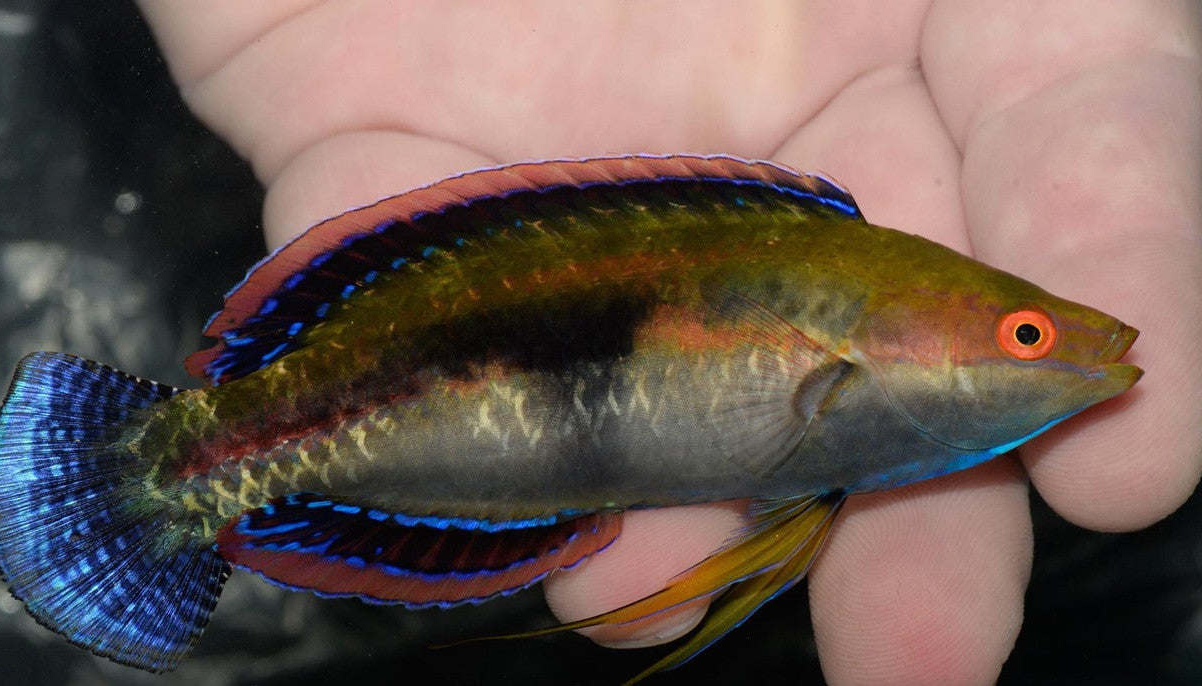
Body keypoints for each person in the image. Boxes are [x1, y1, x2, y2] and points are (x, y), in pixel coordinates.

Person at [133, 2, 1202, 682]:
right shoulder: (842, 290)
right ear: (879, 345)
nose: (1061, 350)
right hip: (449, 373)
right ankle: (169, 468)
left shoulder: (860, 305)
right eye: (1024, 333)